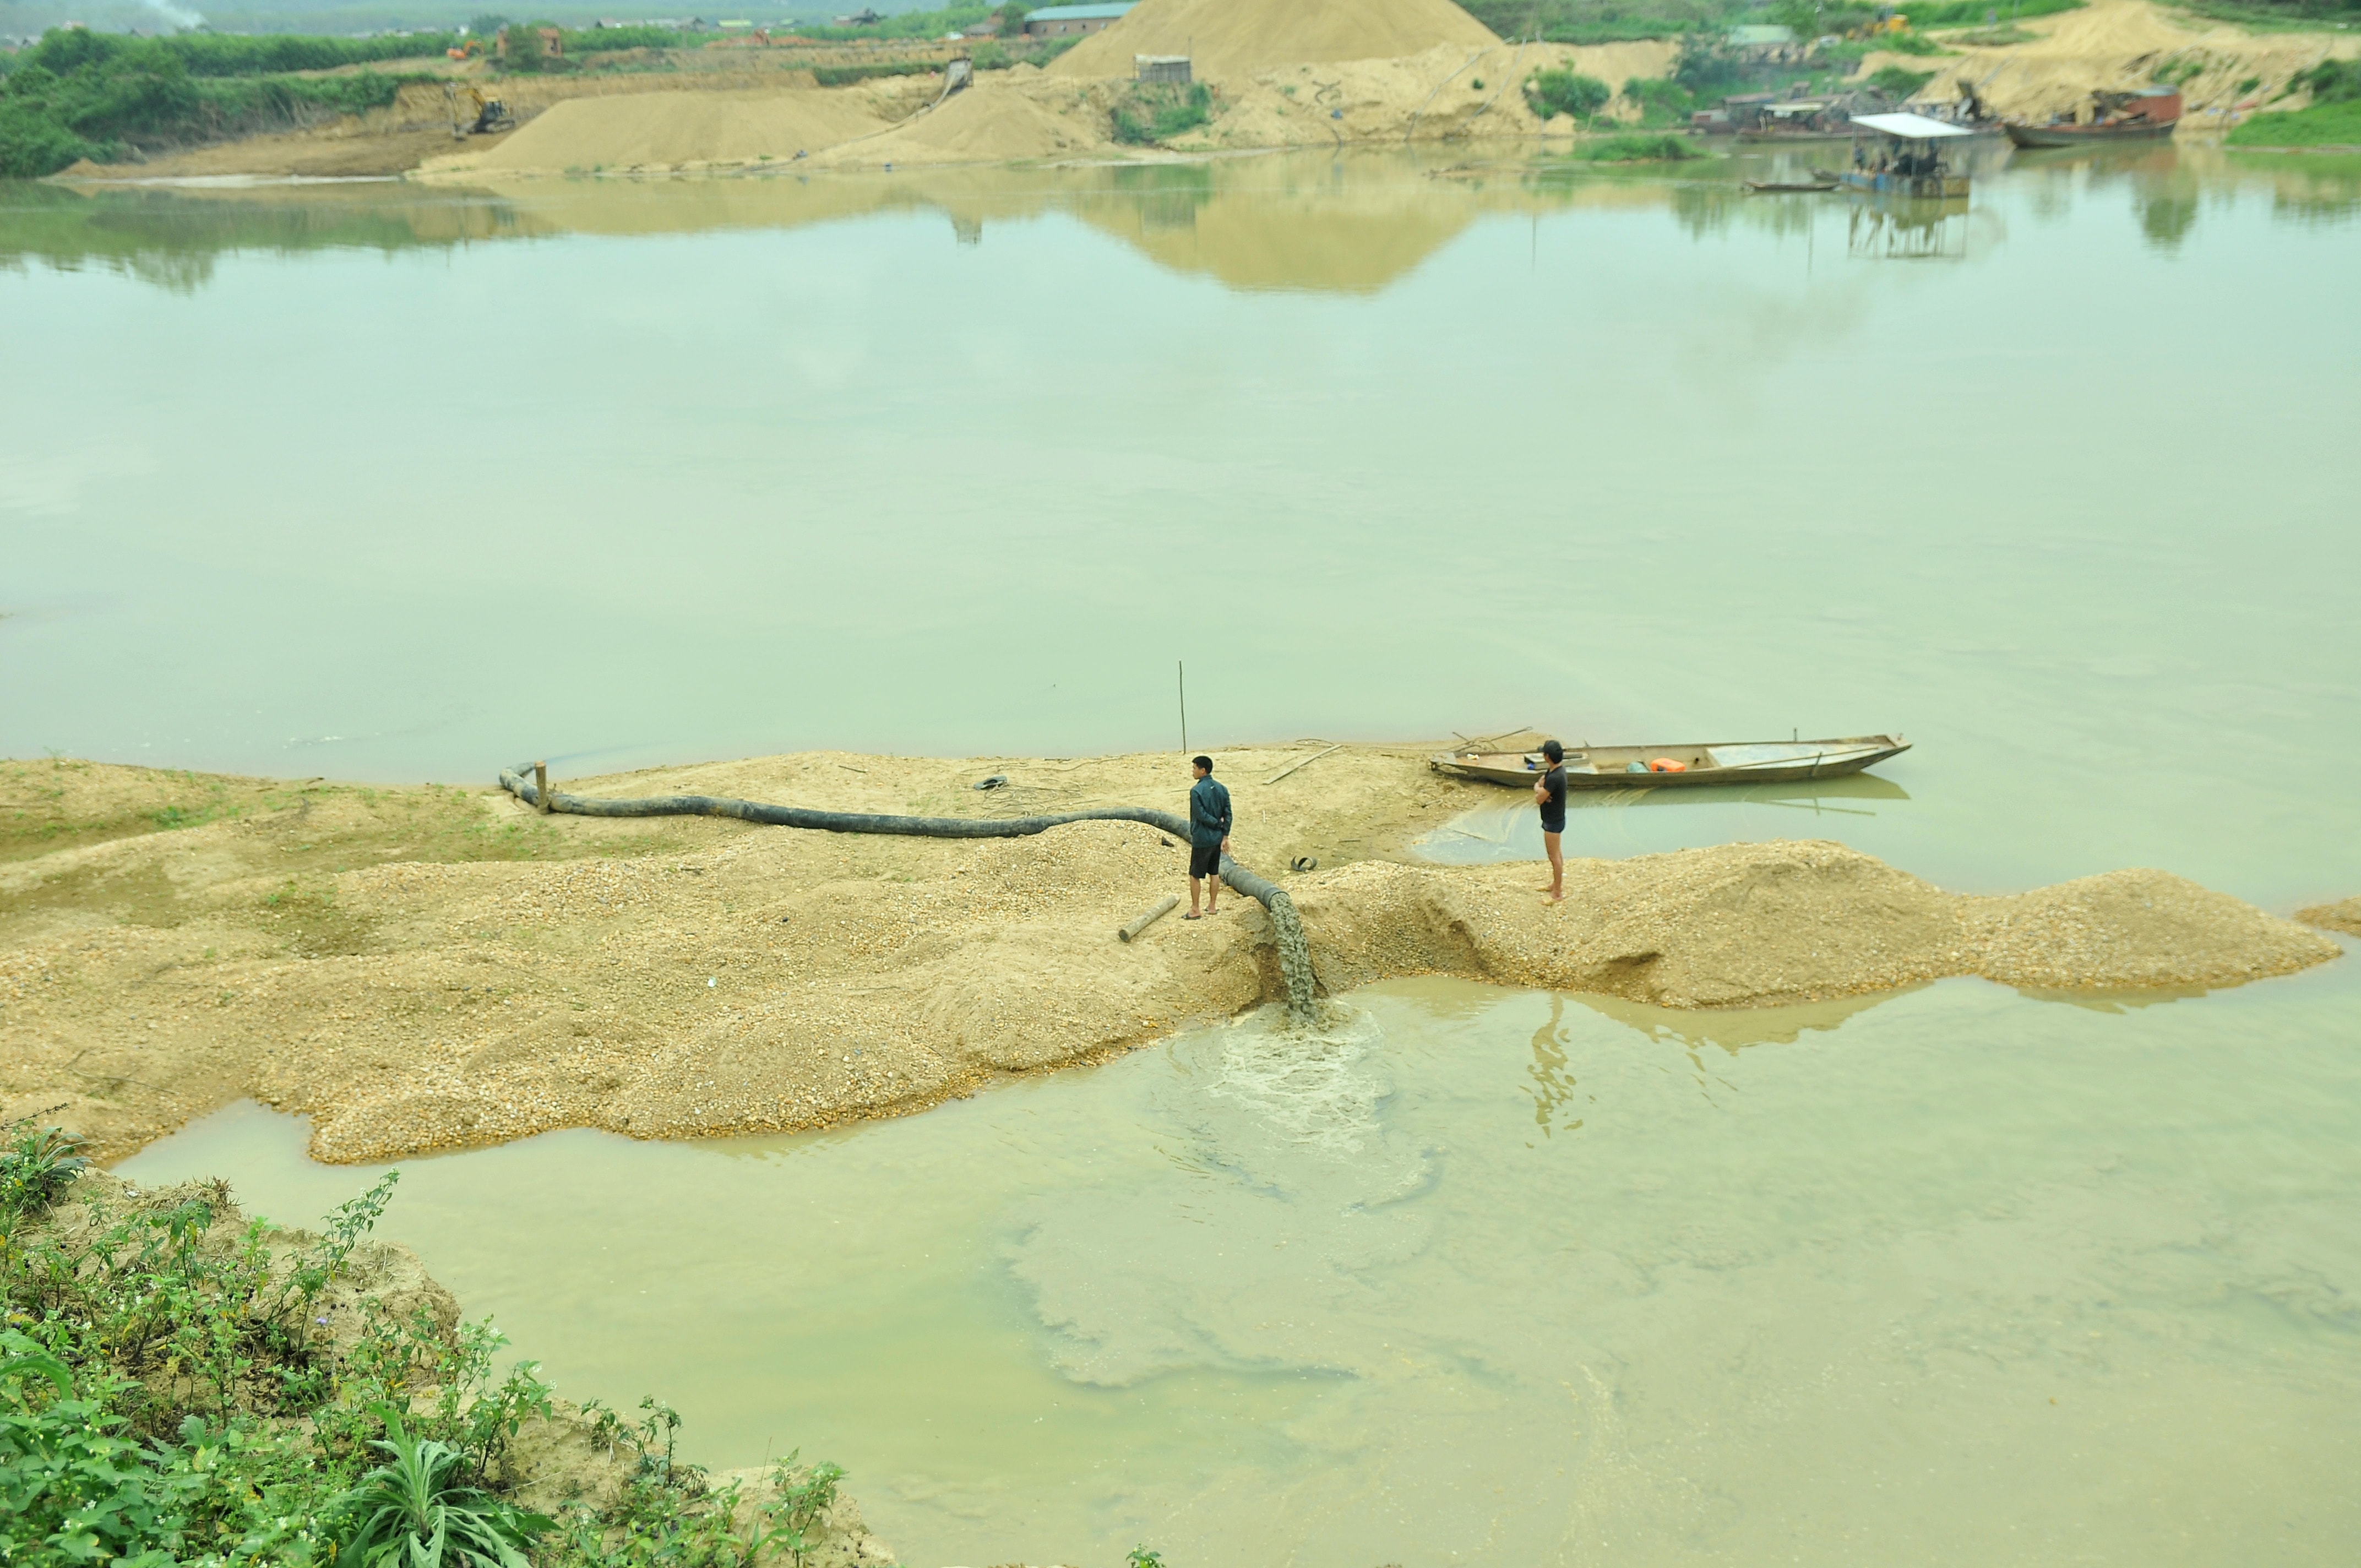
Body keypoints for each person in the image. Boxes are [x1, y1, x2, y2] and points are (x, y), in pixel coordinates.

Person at [1183, 754, 1231, 920]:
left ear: (1203, 770)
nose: (1193, 771)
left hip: (1202, 839)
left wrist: (1217, 824)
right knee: (1214, 872)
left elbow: (1201, 815)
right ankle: (1212, 906)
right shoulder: (1222, 789)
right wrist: (1225, 834)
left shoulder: (1196, 791)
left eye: (1194, 768)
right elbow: (1228, 813)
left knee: (1195, 875)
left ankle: (1195, 908)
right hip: (1217, 839)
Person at [1532, 739, 1567, 903]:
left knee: (1554, 856)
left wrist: (1537, 789)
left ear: (1547, 757)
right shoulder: (1555, 772)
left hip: (1553, 821)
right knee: (1557, 854)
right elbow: (1542, 787)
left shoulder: (1555, 777)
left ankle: (1557, 893)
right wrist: (1541, 789)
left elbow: (1539, 798)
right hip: (1555, 818)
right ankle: (1556, 883)